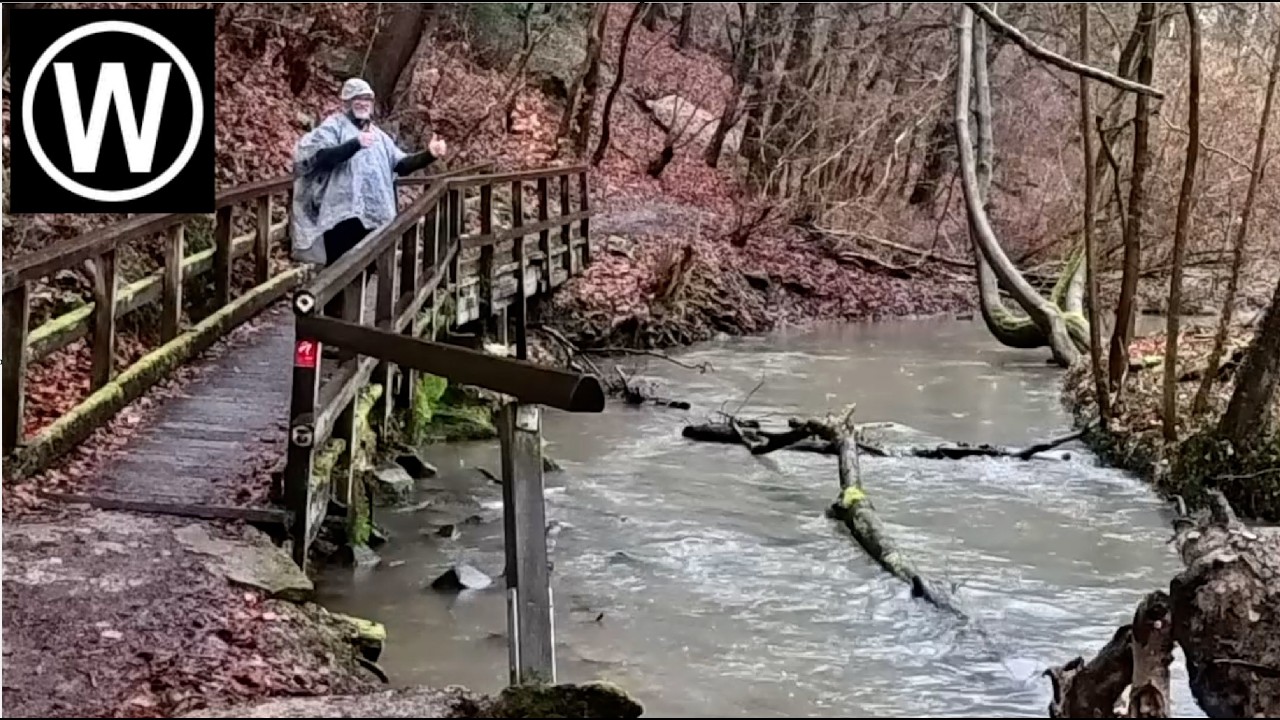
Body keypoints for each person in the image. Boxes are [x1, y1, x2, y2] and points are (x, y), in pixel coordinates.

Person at [290, 77, 448, 317]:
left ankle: (349, 323)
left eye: (367, 98)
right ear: (347, 101)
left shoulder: (380, 137)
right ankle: (334, 328)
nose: (363, 103)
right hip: (341, 215)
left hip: (374, 217)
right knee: (337, 270)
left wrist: (429, 154)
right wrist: (354, 144)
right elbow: (319, 157)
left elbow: (401, 165)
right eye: (357, 98)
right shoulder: (335, 126)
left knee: (366, 269)